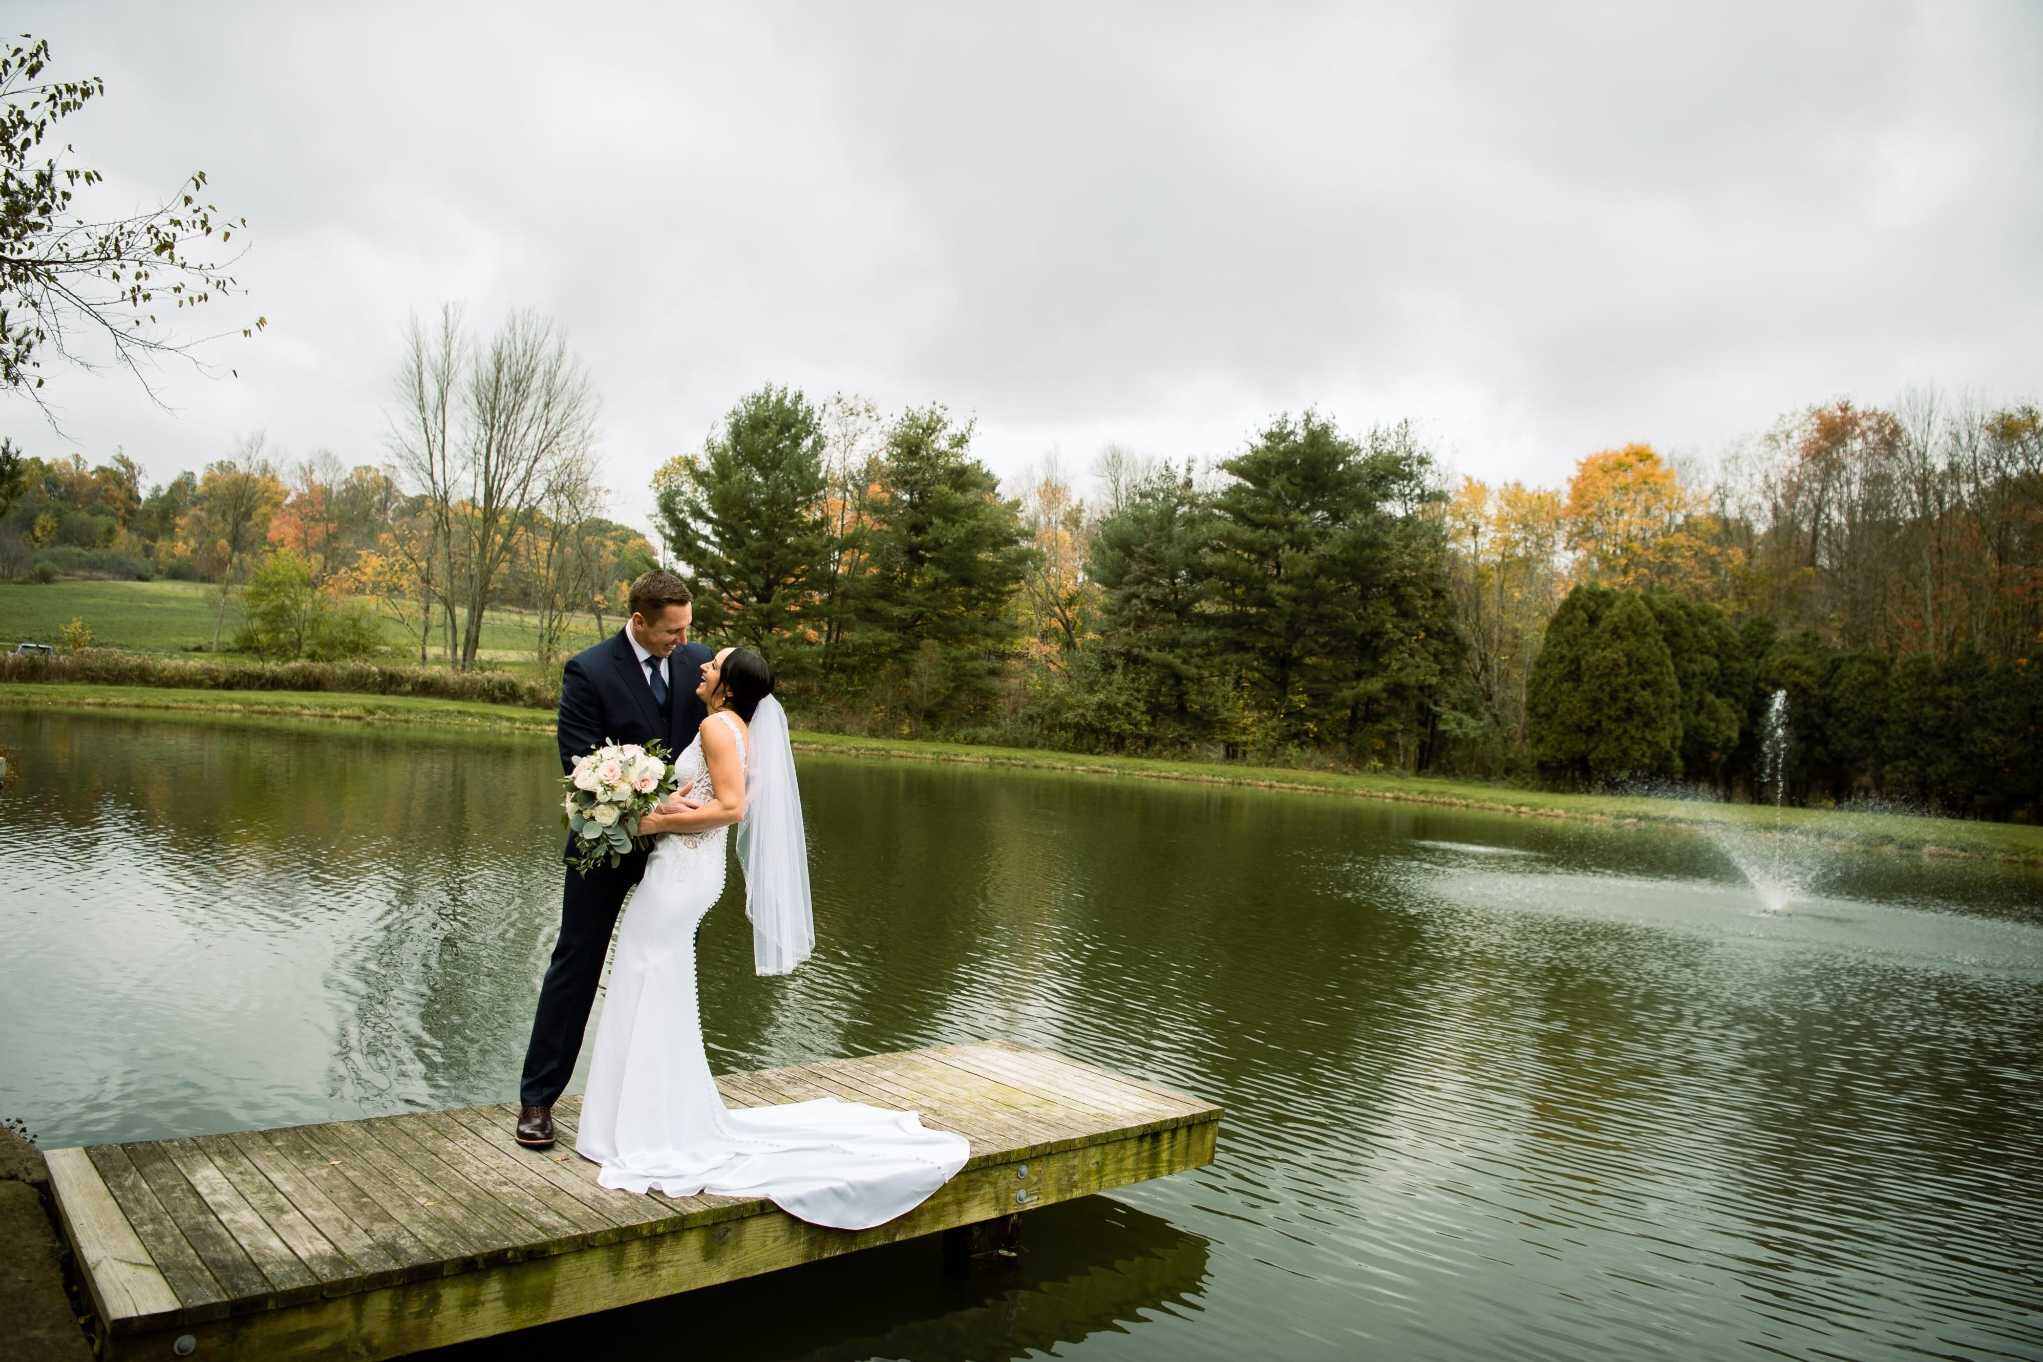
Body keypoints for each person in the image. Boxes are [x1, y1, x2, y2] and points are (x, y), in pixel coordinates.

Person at [573, 646, 970, 1230]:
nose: (703, 666)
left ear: (727, 686)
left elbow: (732, 809)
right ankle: (639, 1117)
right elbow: (719, 797)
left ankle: (643, 1125)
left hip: (681, 873)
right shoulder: (738, 727)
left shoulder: (715, 726)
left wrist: (649, 820)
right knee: (656, 982)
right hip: (687, 871)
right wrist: (661, 803)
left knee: (644, 974)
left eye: (715, 665)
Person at [516, 570, 713, 1150]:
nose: (682, 641)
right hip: (603, 844)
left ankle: (659, 1103)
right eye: (671, 631)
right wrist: (653, 799)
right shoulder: (589, 671)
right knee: (575, 965)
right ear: (639, 621)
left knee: (667, 969)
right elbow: (579, 765)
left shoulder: (696, 661)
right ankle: (537, 1101)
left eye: (686, 629)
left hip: (676, 850)